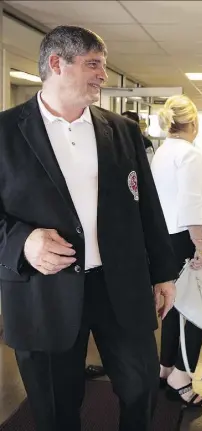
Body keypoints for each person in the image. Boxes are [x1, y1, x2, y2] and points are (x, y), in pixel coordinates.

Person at [0, 25, 177, 431]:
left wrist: (164, 273)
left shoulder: (122, 131)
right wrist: (23, 242)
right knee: (56, 405)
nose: (103, 75)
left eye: (103, 65)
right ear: (56, 64)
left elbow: (147, 207)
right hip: (44, 293)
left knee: (141, 389)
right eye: (93, 64)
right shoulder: (5, 133)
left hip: (121, 287)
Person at [150, 95, 202, 407]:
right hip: (186, 239)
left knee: (172, 305)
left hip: (165, 239)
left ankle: (165, 367)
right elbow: (190, 202)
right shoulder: (191, 155)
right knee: (198, 309)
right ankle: (182, 374)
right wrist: (200, 247)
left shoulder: (163, 152)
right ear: (193, 123)